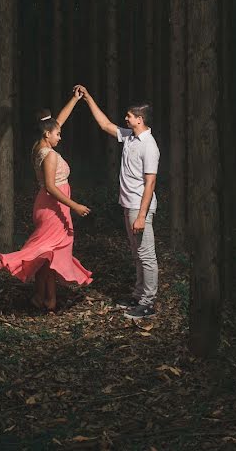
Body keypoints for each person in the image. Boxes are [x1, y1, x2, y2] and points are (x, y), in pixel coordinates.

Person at [0, 91, 93, 312]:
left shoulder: (38, 147)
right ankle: (48, 299)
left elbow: (58, 121)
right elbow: (50, 186)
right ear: (47, 133)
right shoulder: (49, 155)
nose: (61, 136)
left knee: (48, 254)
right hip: (53, 207)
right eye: (58, 133)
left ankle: (42, 297)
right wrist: (74, 205)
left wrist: (75, 100)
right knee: (50, 254)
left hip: (48, 205)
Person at [74, 85, 160, 319]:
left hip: (139, 207)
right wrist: (89, 98)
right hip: (129, 205)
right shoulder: (131, 137)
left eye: (129, 116)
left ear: (139, 119)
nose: (125, 118)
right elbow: (105, 125)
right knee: (137, 253)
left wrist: (142, 215)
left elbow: (150, 183)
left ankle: (148, 303)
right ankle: (139, 294)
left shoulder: (149, 146)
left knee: (147, 255)